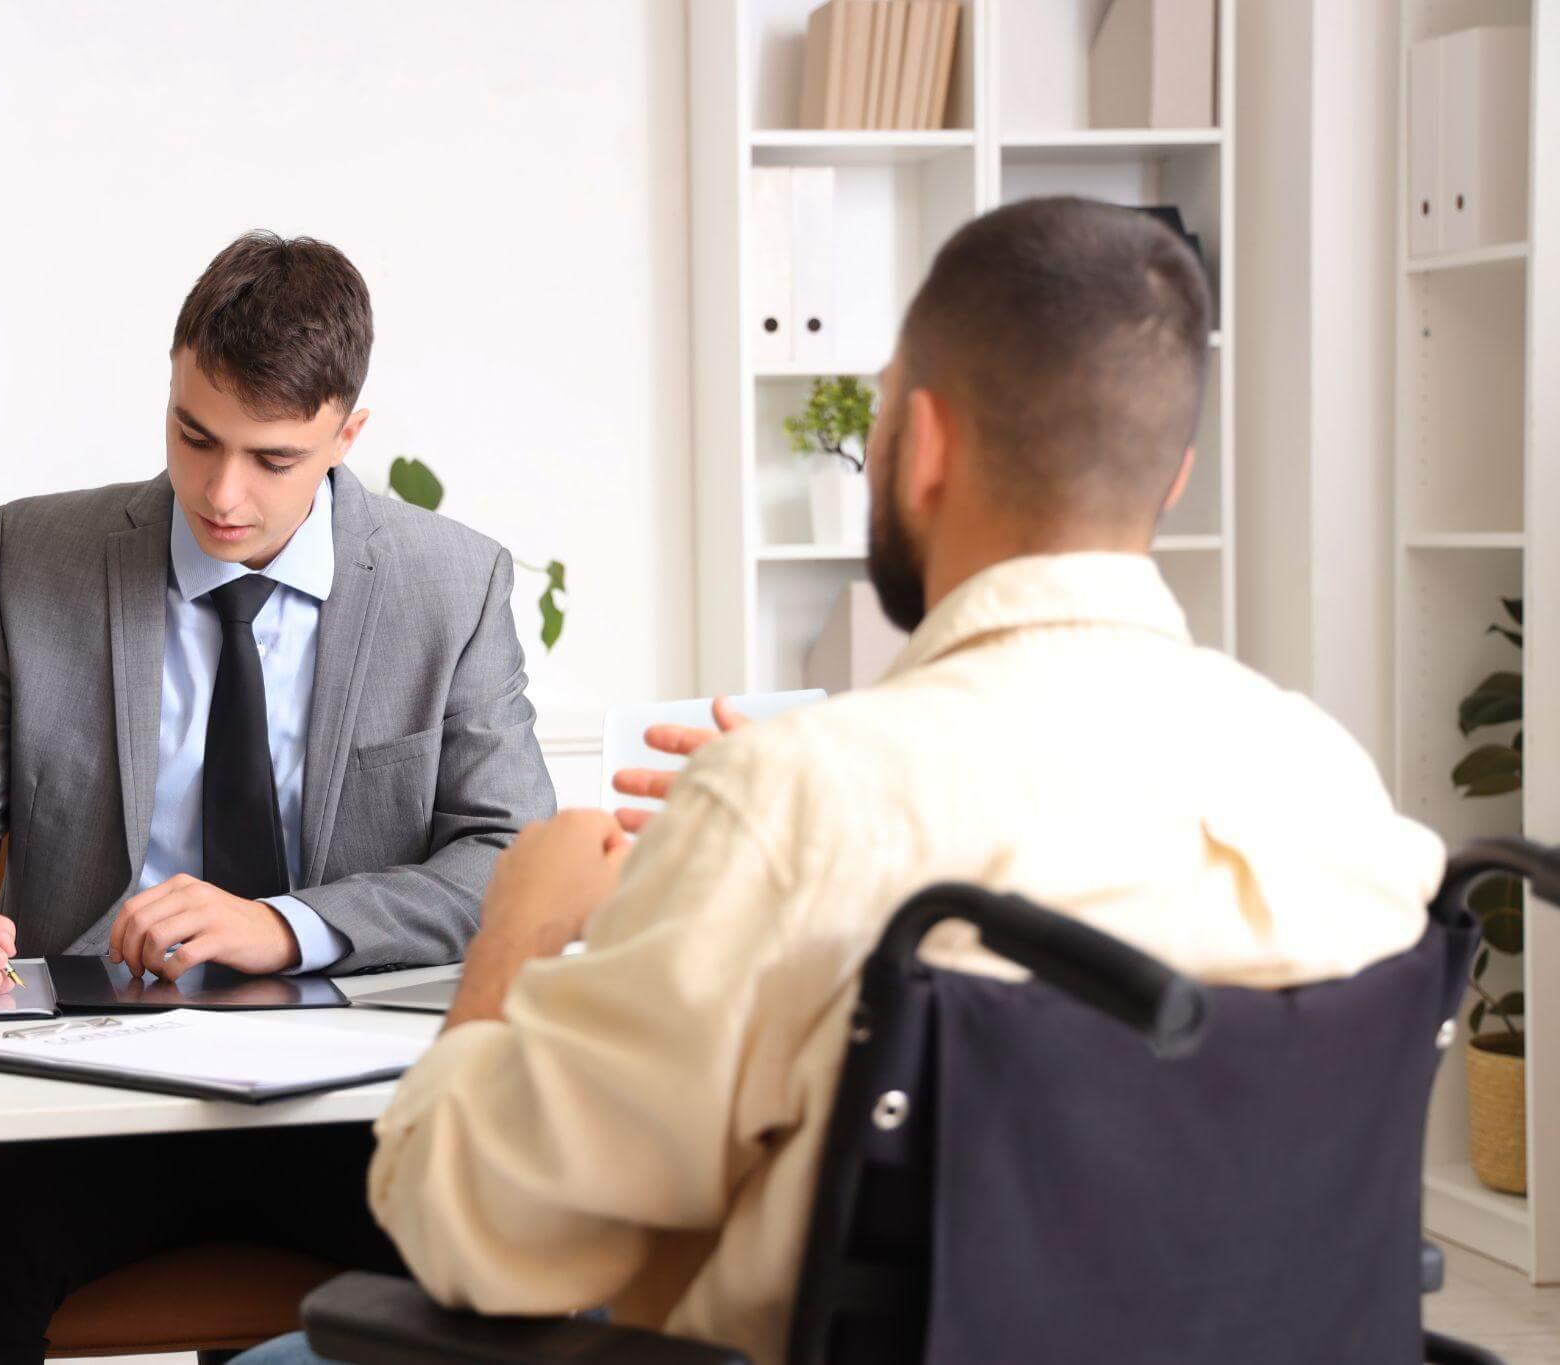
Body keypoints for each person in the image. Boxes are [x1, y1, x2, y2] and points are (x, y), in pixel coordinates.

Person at [235, 196, 1445, 1365]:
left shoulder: (802, 812)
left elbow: (477, 1243)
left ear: (918, 443)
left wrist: (522, 926)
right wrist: (773, 834)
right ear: (1171, 480)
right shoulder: (1335, 791)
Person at [0, 230, 555, 1362]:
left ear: (345, 434)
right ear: (171, 389)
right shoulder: (39, 558)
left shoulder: (449, 584)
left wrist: (284, 927)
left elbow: (505, 859)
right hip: (91, 1088)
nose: (223, 495)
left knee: (507, 1259)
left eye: (273, 459)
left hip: (349, 1093)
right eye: (194, 437)